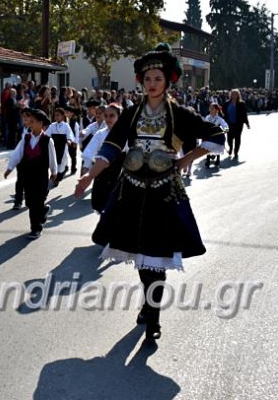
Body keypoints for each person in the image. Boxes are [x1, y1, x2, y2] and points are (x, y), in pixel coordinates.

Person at [74, 43, 226, 340]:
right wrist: (88, 176)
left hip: (163, 194)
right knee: (142, 256)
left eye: (158, 78)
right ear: (141, 82)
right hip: (130, 193)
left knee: (156, 256)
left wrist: (184, 159)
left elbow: (216, 137)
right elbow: (111, 148)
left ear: (169, 80)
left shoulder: (180, 114)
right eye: (147, 79)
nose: (152, 84)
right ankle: (149, 302)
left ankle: (153, 316)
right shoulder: (131, 114)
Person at [4, 109, 58, 239]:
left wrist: (54, 171)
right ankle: (43, 211)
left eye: (33, 122)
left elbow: (52, 157)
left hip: (41, 176)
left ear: (41, 123)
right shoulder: (26, 138)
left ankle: (35, 228)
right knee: (30, 202)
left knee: (37, 202)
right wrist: (10, 167)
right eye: (30, 122)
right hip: (28, 176)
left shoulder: (47, 140)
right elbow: (18, 153)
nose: (30, 124)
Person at [80, 103, 125, 212]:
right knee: (99, 202)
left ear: (119, 117)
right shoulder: (100, 134)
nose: (108, 119)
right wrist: (86, 168)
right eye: (106, 116)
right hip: (101, 172)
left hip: (119, 172)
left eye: (112, 116)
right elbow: (90, 151)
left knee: (117, 202)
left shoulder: (125, 134)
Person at [45, 107, 75, 184]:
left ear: (62, 116)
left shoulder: (66, 125)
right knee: (54, 160)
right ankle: (55, 175)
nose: (56, 117)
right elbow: (46, 134)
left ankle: (58, 176)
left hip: (62, 145)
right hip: (54, 145)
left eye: (58, 115)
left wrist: (69, 140)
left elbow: (70, 134)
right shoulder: (52, 125)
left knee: (62, 161)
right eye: (55, 115)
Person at [224, 89, 250, 159]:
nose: (234, 95)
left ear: (238, 95)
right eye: (232, 94)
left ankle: (236, 152)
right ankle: (231, 148)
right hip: (228, 124)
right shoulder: (227, 103)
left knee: (237, 138)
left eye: (235, 94)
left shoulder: (241, 104)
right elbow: (223, 114)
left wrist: (247, 123)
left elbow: (244, 114)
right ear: (230, 95)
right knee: (229, 138)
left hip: (238, 124)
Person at [203, 103, 229, 168]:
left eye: (212, 108)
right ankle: (208, 160)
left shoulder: (219, 119)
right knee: (207, 146)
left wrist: (223, 131)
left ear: (216, 110)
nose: (210, 110)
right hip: (209, 135)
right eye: (210, 108)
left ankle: (218, 159)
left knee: (217, 145)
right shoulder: (207, 117)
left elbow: (226, 127)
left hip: (217, 136)